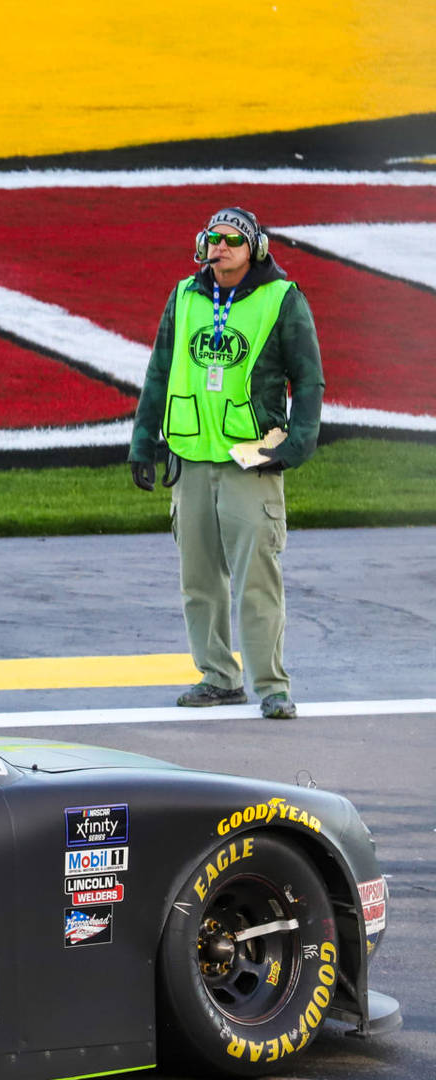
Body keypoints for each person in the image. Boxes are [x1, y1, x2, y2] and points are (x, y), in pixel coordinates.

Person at [128, 207, 324, 720]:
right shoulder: (185, 296)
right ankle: (218, 676)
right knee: (199, 580)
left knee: (257, 579)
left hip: (251, 463)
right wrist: (143, 441)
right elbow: (159, 372)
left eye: (232, 240)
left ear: (255, 248)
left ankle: (271, 685)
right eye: (212, 238)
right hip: (191, 458)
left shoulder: (282, 299)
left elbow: (308, 380)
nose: (220, 247)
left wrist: (298, 442)